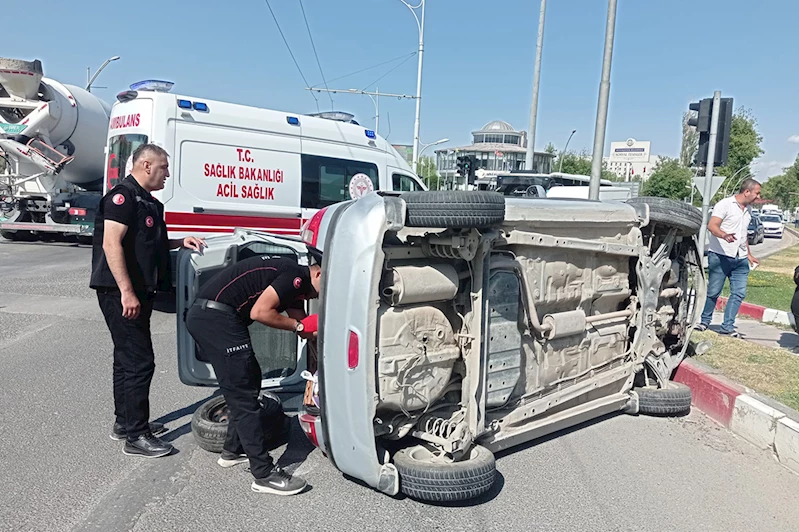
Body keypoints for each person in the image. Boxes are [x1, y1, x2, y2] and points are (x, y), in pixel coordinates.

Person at [91, 144, 205, 458]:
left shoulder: (148, 202)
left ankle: (125, 424)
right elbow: (111, 243)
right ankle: (137, 436)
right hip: (120, 293)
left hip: (138, 292)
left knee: (125, 358)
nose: (167, 174)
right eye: (164, 167)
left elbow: (147, 242)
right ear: (145, 164)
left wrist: (180, 241)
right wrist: (126, 291)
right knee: (140, 362)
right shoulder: (122, 197)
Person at [185, 250, 322, 496]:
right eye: (321, 290)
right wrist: (300, 326)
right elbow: (261, 313)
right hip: (215, 317)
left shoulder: (293, 284)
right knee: (244, 393)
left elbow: (304, 329)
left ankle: (232, 450)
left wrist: (317, 349)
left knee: (249, 382)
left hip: (212, 316)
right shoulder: (293, 277)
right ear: (318, 273)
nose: (318, 296)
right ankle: (264, 474)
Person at [697, 178, 761, 336]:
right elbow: (712, 226)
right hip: (720, 256)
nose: (758, 197)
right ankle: (704, 321)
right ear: (747, 192)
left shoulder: (749, 210)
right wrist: (724, 235)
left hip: (740, 258)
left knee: (739, 293)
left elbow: (743, 234)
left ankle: (727, 327)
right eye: (757, 193)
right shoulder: (725, 204)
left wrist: (749, 255)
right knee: (713, 292)